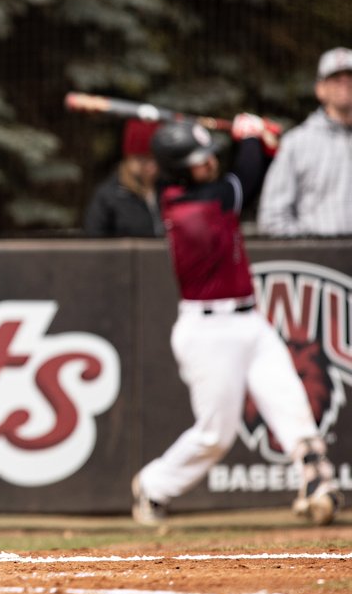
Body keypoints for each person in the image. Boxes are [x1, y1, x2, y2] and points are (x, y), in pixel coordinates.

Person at [131, 116, 343, 527]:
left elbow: (253, 168)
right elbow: (245, 178)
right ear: (177, 169)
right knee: (215, 435)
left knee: (288, 399)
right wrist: (248, 137)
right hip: (208, 333)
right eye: (199, 159)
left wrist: (260, 141)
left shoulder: (204, 192)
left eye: (209, 155)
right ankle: (153, 485)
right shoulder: (192, 206)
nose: (209, 163)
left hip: (249, 320)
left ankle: (317, 481)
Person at [257, 47, 352, 236]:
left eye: (350, 77)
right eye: (335, 79)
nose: (345, 84)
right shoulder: (296, 143)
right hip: (318, 261)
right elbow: (272, 218)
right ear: (320, 89)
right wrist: (313, 245)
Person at [82, 119, 162, 237]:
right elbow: (94, 240)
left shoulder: (169, 188)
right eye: (143, 159)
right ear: (129, 158)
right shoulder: (109, 196)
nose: (151, 166)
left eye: (155, 159)